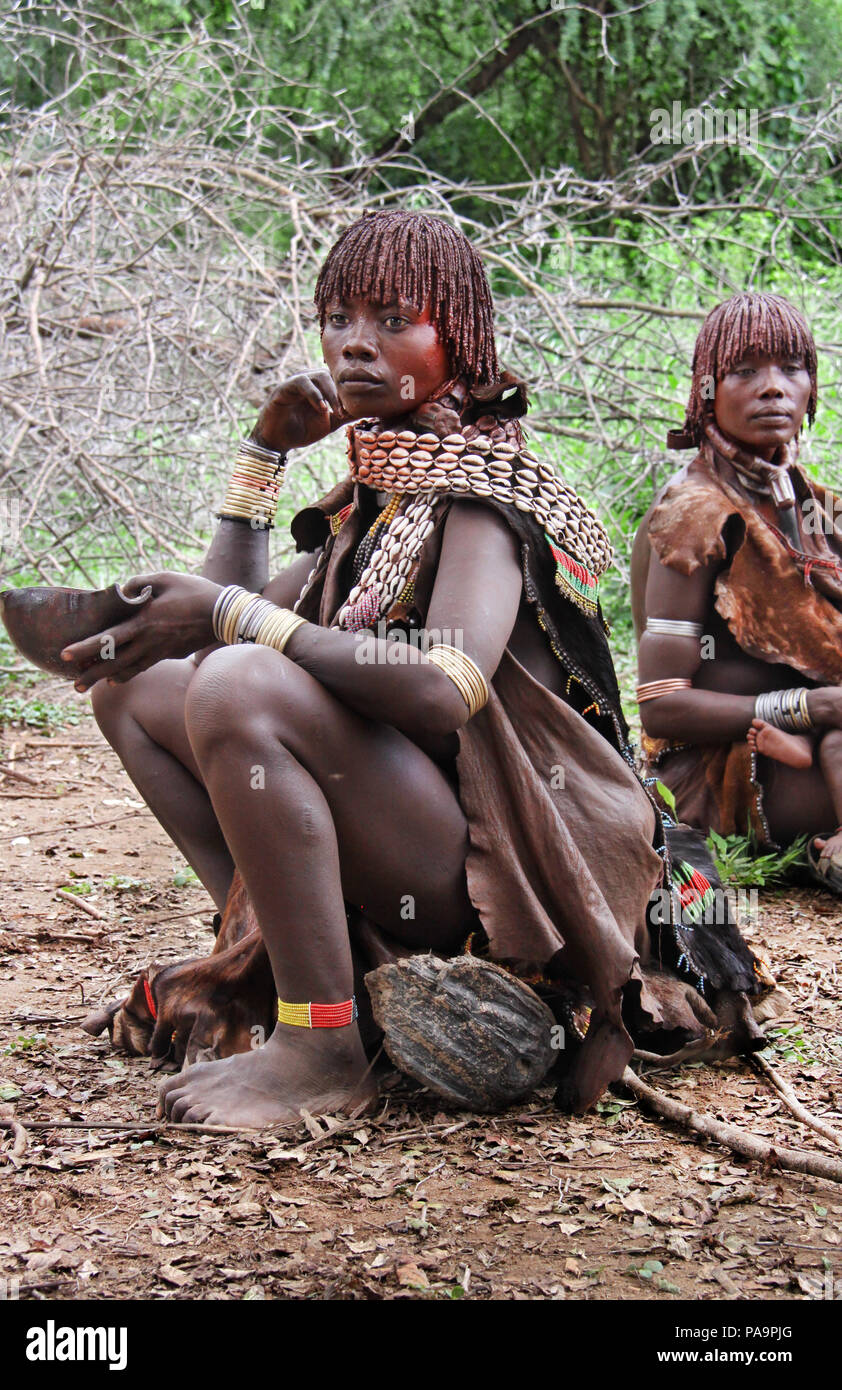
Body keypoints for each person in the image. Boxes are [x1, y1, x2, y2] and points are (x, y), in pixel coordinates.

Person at [66, 213, 762, 1129]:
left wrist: (231, 618)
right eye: (339, 317)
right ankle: (306, 964)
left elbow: (445, 686)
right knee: (142, 685)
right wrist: (263, 454)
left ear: (460, 342)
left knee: (243, 683)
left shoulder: (485, 502)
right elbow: (202, 635)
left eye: (395, 318)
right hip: (409, 833)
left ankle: (320, 1043)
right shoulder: (372, 503)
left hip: (502, 871)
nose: (358, 342)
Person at [632, 291, 842, 890]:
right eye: (745, 371)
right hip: (728, 773)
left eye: (790, 369)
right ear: (706, 392)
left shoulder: (819, 509)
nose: (772, 387)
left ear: (812, 388)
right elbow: (661, 705)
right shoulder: (692, 515)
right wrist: (812, 706)